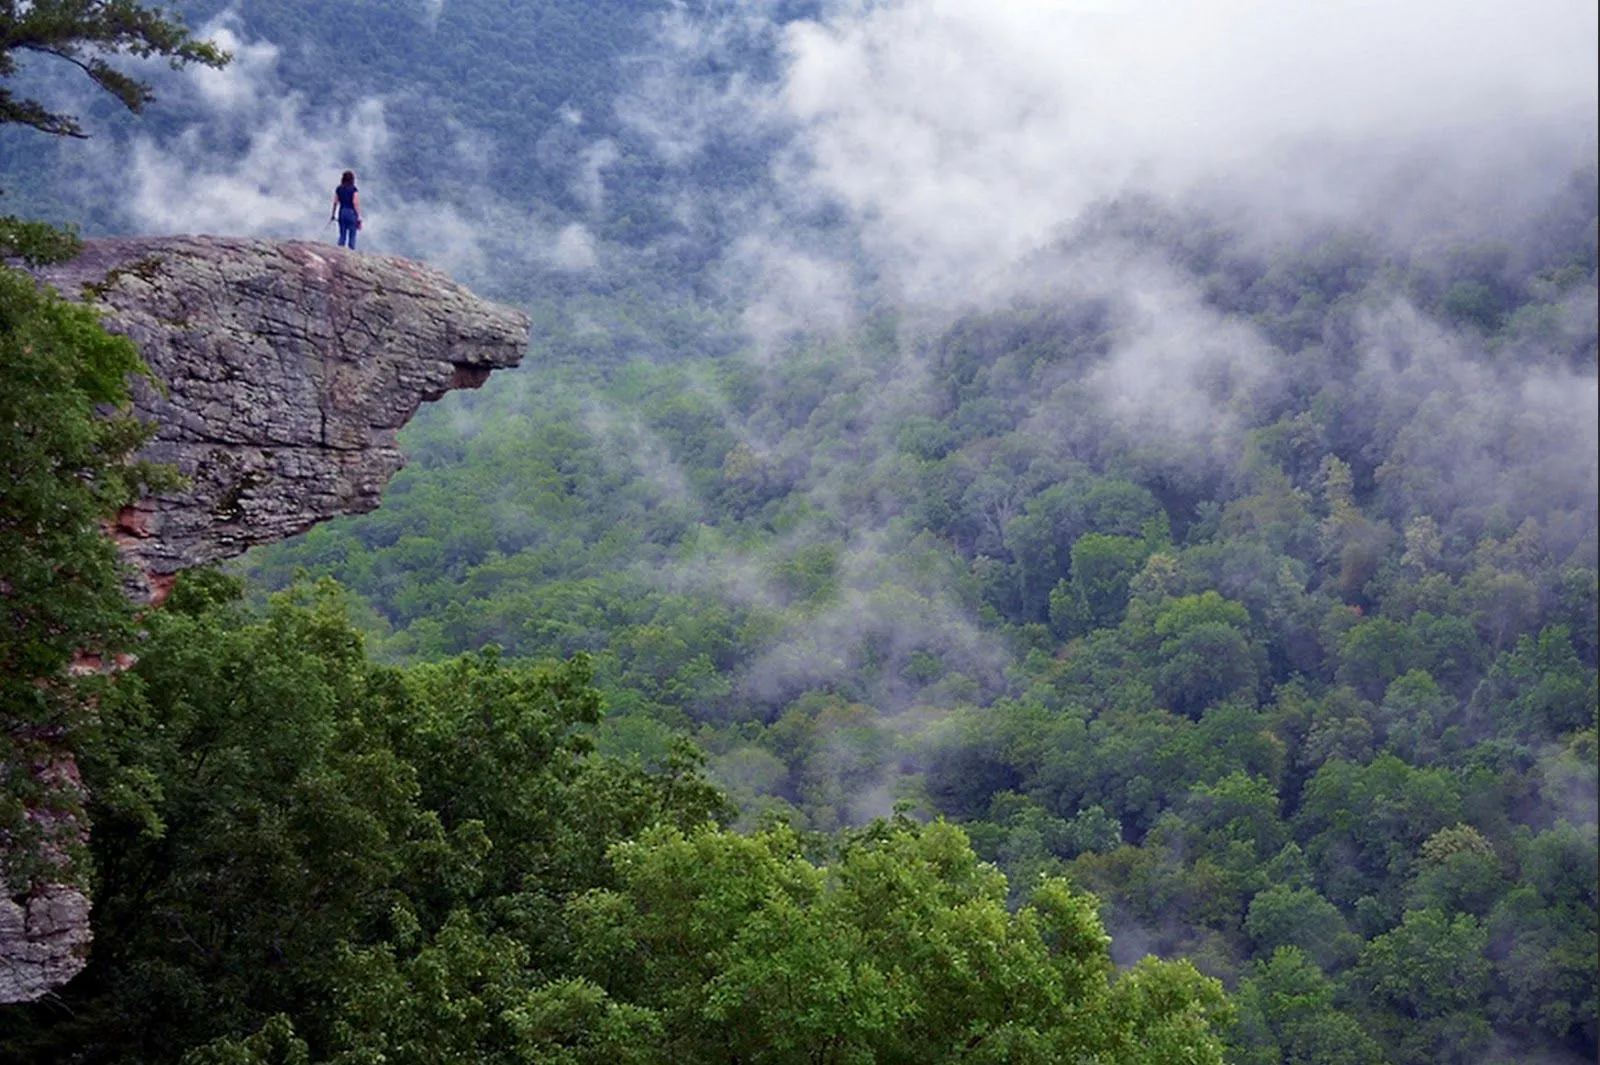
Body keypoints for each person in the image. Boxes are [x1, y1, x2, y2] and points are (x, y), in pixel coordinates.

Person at [330, 170, 361, 250]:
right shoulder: (354, 189)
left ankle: (340, 251)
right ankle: (351, 252)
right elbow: (355, 203)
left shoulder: (339, 189)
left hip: (342, 211)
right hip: (351, 212)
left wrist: (333, 215)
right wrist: (359, 217)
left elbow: (335, 202)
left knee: (342, 234)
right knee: (352, 235)